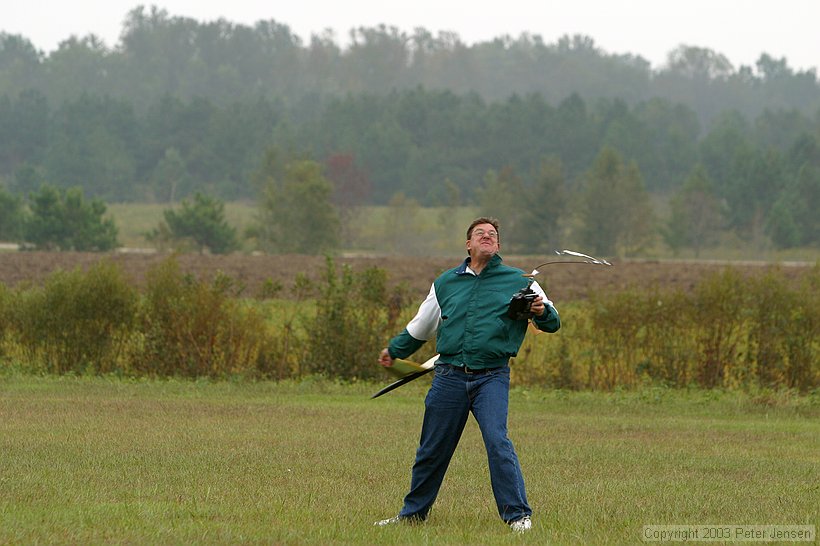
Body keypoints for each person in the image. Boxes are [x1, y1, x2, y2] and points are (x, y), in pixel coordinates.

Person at [374, 217, 560, 533]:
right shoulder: (445, 283)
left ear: (498, 245)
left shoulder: (522, 281)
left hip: (492, 377)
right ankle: (413, 515)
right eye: (479, 234)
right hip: (448, 377)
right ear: (468, 244)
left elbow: (552, 322)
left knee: (497, 442)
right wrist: (395, 351)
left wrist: (541, 311)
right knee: (432, 449)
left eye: (492, 235)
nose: (486, 237)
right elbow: (421, 327)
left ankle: (518, 516)